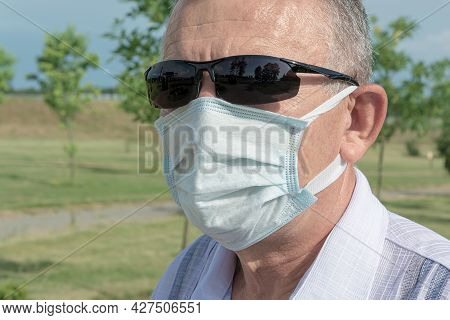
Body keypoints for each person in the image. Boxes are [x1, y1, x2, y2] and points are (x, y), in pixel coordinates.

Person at [147, 0, 449, 299]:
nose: (205, 118)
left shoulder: (434, 292)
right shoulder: (184, 275)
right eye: (174, 82)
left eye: (252, 78)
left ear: (357, 122)